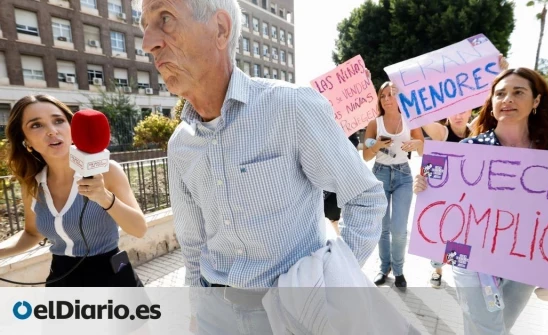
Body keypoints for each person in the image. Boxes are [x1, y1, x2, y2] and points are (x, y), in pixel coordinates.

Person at [137, 0, 387, 333]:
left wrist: (331, 284)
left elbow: (365, 197)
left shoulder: (291, 107)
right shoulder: (180, 145)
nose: (148, 43)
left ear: (221, 29)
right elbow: (194, 245)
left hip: (295, 316)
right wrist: (197, 314)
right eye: (144, 26)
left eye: (164, 19)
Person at [413, 67, 548, 334]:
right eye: (501, 94)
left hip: (526, 261)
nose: (508, 99)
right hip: (471, 259)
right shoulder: (469, 151)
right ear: (492, 104)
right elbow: (445, 201)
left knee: (498, 328)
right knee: (488, 330)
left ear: (536, 101)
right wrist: (426, 188)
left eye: (519, 92)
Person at [0, 95, 147, 287]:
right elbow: (31, 233)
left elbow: (139, 229)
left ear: (71, 128)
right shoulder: (32, 183)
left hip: (112, 278)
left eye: (59, 121)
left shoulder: (106, 171)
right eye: (36, 125)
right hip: (61, 280)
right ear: (25, 141)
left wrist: (104, 197)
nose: (52, 131)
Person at [421, 56, 510, 288]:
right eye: (453, 111)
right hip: (442, 196)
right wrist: (407, 93)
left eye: (463, 110)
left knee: (463, 239)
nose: (458, 115)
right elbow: (421, 116)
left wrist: (501, 73)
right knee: (438, 239)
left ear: (472, 109)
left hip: (470, 199)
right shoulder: (441, 132)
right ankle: (437, 271)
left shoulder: (478, 133)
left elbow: (497, 103)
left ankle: (465, 277)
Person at [363, 81, 424, 290]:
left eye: (392, 94)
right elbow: (366, 155)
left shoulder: (410, 121)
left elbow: (422, 150)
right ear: (379, 99)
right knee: (382, 228)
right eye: (383, 95)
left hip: (403, 176)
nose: (388, 99)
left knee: (399, 230)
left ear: (400, 98)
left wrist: (417, 144)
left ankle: (398, 270)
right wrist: (377, 145)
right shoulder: (375, 123)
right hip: (379, 173)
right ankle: (384, 267)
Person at [324, 132, 360, 234]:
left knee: (332, 216)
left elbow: (354, 143)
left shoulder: (346, 123)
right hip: (318, 170)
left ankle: (337, 243)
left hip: (338, 174)